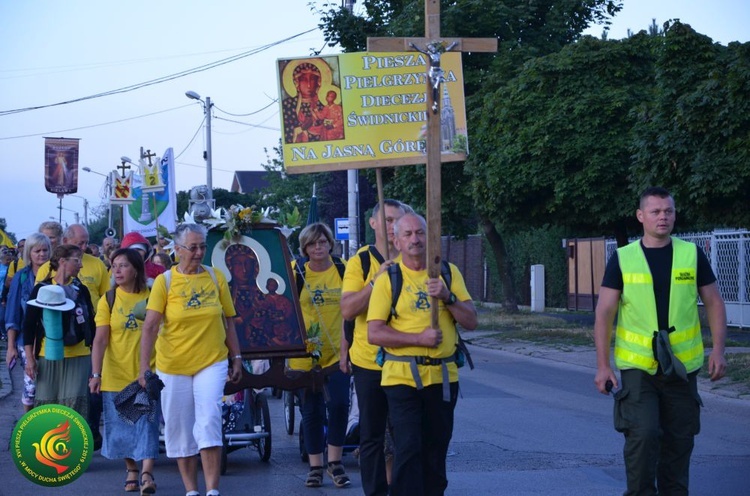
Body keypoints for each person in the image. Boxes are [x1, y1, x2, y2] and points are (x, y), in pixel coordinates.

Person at [594, 186, 727, 496]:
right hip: (639, 368)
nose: (663, 217)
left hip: (682, 367)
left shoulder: (691, 253)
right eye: (655, 211)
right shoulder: (623, 258)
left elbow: (714, 302)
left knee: (679, 441)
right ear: (641, 216)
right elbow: (604, 313)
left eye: (668, 211)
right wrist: (603, 366)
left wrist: (718, 350)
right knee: (643, 435)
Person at [368, 213, 478, 496]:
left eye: (420, 233)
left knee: (435, 451)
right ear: (396, 240)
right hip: (401, 379)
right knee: (408, 449)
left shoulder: (448, 273)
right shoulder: (389, 278)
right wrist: (418, 338)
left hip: (442, 378)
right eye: (407, 234)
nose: (415, 239)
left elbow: (471, 321)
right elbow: (375, 333)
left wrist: (447, 297)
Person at [139, 223, 243, 496]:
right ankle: (191, 491)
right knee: (179, 426)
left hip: (211, 360)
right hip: (172, 365)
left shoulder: (215, 277)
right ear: (178, 249)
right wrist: (143, 370)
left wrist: (237, 357)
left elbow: (229, 320)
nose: (198, 253)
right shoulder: (165, 281)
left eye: (202, 246)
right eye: (193, 247)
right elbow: (149, 327)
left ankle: (212, 490)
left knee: (209, 418)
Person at [340, 199, 406, 496]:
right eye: (389, 220)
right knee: (372, 436)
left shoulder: (414, 257)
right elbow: (348, 310)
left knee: (406, 435)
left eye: (399, 221)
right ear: (374, 223)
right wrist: (376, 282)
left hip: (406, 360)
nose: (394, 227)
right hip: (369, 361)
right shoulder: (362, 261)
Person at [90, 248, 158, 495]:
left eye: (123, 265)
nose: (117, 270)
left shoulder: (153, 296)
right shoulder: (108, 299)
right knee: (121, 428)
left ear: (137, 269)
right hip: (116, 373)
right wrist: (96, 374)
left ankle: (147, 473)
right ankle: (131, 468)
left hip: (146, 373)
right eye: (114, 265)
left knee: (146, 425)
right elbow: (100, 340)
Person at [36, 223, 110, 449]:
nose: (85, 247)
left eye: (87, 242)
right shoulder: (45, 273)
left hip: (85, 345)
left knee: (82, 398)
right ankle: (48, 448)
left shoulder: (97, 266)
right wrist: (29, 354)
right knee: (50, 398)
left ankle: (80, 442)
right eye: (80, 243)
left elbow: (107, 299)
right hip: (50, 347)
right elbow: (33, 318)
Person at [289, 222, 351, 489]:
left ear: (330, 244)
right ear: (304, 248)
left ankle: (335, 462)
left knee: (339, 404)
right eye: (312, 243)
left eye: (323, 242)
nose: (318, 247)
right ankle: (315, 465)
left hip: (339, 351)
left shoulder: (343, 269)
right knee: (311, 411)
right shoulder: (296, 272)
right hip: (305, 354)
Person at [23, 244, 96, 417]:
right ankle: (44, 443)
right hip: (48, 355)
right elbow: (29, 325)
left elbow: (91, 325)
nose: (81, 265)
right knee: (46, 404)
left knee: (74, 407)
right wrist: (30, 359)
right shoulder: (41, 289)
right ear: (62, 261)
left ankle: (73, 444)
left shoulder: (81, 290)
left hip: (79, 356)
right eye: (77, 260)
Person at [4, 233, 51, 412]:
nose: (41, 254)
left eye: (45, 250)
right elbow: (13, 313)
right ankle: (29, 424)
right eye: (37, 250)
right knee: (31, 385)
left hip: (52, 339)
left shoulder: (55, 275)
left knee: (48, 386)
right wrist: (10, 346)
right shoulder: (21, 277)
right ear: (29, 253)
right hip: (27, 339)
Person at [282, 61, 326, 144]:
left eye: (312, 80)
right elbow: (287, 132)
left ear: (318, 82)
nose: (309, 85)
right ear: (297, 83)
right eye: (304, 80)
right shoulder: (288, 105)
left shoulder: (324, 106)